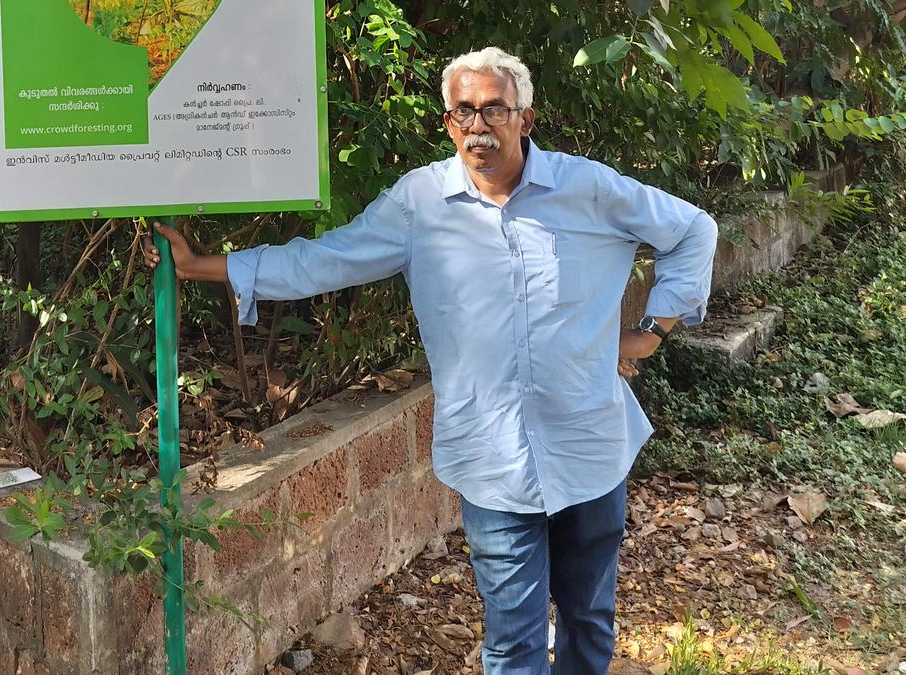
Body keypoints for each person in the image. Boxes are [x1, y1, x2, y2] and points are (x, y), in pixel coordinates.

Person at [146, 46, 717, 675]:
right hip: (493, 462)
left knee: (588, 621)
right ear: (449, 123)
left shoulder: (588, 189)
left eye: (493, 109)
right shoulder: (420, 203)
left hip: (589, 445)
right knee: (513, 643)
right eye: (462, 112)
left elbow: (693, 230)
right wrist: (203, 266)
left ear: (524, 118)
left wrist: (651, 331)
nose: (477, 126)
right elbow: (327, 259)